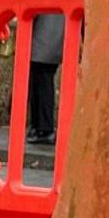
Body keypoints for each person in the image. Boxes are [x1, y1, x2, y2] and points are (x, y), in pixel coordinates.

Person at [26, 12, 65, 146]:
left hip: (43, 38)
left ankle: (43, 128)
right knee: (42, 81)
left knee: (41, 83)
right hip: (53, 38)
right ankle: (39, 126)